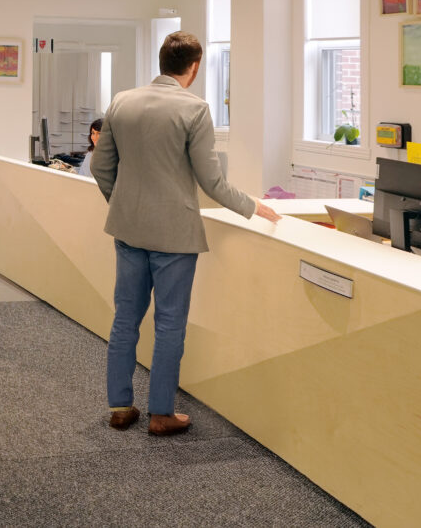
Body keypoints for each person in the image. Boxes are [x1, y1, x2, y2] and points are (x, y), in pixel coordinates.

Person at [91, 31, 280, 436]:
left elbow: (99, 168)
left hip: (129, 230)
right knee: (170, 323)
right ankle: (162, 413)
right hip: (175, 236)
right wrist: (254, 207)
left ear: (162, 62)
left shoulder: (121, 101)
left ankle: (121, 405)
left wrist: (122, 204)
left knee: (126, 317)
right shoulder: (195, 110)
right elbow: (212, 181)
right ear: (193, 68)